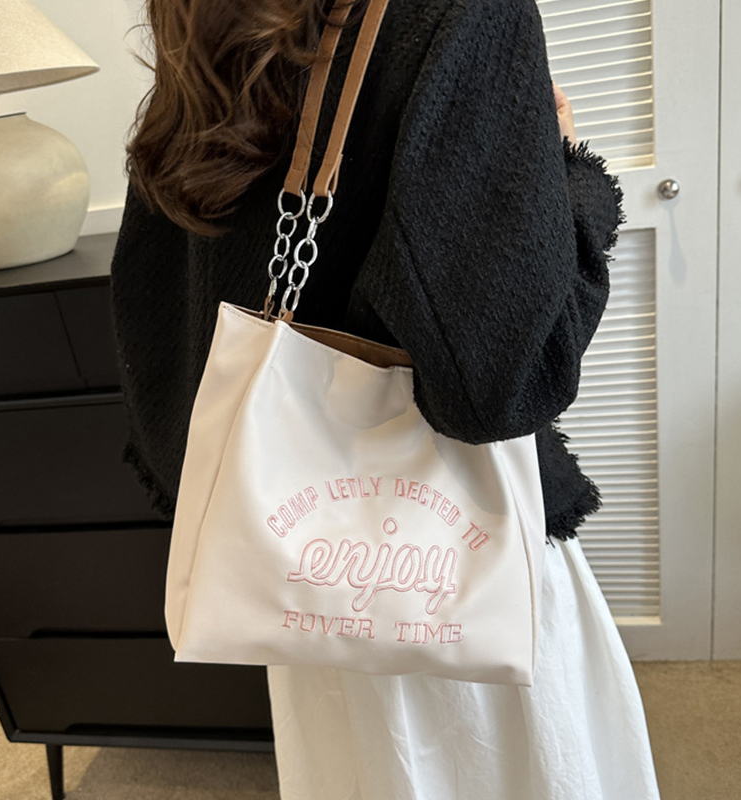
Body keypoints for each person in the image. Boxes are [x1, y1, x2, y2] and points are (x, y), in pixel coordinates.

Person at [111, 0, 661, 798]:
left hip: (297, 572)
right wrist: (571, 177)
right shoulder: (462, 13)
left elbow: (155, 320)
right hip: (456, 566)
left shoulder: (203, 26)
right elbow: (502, 384)